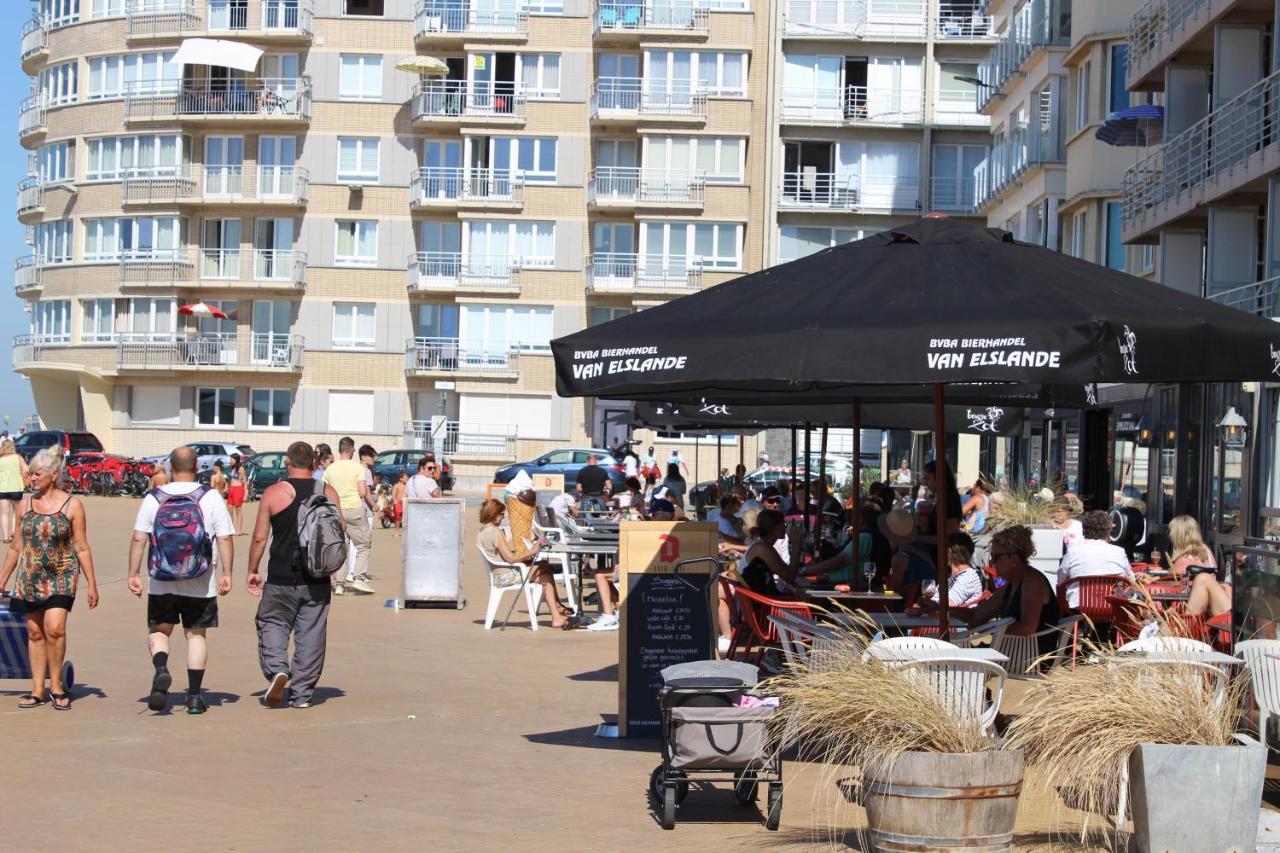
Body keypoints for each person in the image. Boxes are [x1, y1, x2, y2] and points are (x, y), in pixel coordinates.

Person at [127, 447, 235, 714]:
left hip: (162, 579)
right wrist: (227, 574)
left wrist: (133, 573)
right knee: (195, 635)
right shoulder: (210, 497)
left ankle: (162, 668)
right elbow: (224, 538)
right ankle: (195, 698)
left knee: (159, 631)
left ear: (171, 468)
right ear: (196, 466)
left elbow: (139, 538)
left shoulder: (154, 497)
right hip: (200, 578)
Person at [0, 446, 98, 710]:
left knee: (54, 628)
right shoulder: (24, 504)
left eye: (36, 474)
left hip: (61, 576)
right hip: (29, 577)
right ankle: (37, 690)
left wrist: (92, 585)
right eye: (30, 474)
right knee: (34, 632)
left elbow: (81, 547)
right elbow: (16, 547)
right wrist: (1, 580)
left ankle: (56, 685)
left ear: (54, 474)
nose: (31, 479)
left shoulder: (72, 505)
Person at [246, 441, 343, 709]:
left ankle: (278, 668)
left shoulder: (275, 493)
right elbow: (340, 530)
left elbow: (259, 537)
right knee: (311, 634)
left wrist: (253, 570)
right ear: (314, 464)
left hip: (280, 576)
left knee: (273, 622)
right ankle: (301, 695)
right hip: (317, 578)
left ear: (288, 462)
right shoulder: (328, 493)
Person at [961, 525, 1060, 657]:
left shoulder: (1032, 581)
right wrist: (942, 609)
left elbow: (1026, 628)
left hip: (1029, 659)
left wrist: (987, 628)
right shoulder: (1013, 583)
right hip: (1015, 652)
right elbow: (977, 614)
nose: (992, 562)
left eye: (996, 557)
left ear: (1013, 559)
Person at [477, 499, 576, 630]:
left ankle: (557, 613)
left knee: (544, 571)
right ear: (494, 514)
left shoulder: (481, 532)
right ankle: (557, 610)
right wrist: (532, 551)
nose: (503, 517)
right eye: (501, 514)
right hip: (505, 576)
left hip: (498, 574)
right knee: (544, 568)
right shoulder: (495, 532)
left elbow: (500, 555)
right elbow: (511, 559)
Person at [322, 437, 376, 595]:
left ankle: (339, 584)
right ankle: (358, 577)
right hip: (354, 509)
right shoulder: (357, 468)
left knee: (341, 547)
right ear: (351, 450)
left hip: (336, 511)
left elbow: (324, 490)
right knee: (363, 545)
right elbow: (362, 492)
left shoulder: (329, 469)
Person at [1056, 510, 1135, 609]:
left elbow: (1060, 581)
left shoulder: (1073, 552)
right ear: (1108, 531)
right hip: (1111, 607)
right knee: (1135, 595)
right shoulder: (1119, 552)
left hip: (1079, 607)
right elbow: (1132, 580)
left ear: (1084, 530)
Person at [1167, 515, 1231, 618]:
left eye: (1172, 533)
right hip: (1210, 608)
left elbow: (1169, 581)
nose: (1170, 536)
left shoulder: (1184, 560)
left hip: (1204, 612)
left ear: (1178, 537)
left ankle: (1178, 628)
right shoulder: (1206, 551)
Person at [737, 509, 799, 597]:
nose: (786, 528)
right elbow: (790, 577)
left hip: (758, 599)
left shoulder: (763, 545)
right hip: (759, 604)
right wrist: (796, 545)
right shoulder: (762, 548)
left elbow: (787, 573)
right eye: (784, 525)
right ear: (775, 527)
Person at [882, 509, 937, 605]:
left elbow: (895, 595)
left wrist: (881, 592)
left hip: (913, 609)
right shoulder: (921, 548)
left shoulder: (900, 558)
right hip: (929, 604)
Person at [919, 532, 988, 610]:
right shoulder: (952, 576)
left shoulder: (968, 577)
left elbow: (948, 604)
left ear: (948, 552)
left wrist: (925, 603)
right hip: (939, 619)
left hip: (953, 621)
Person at [0, 439, 29, 543]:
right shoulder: (18, 458)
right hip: (16, 488)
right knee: (16, 512)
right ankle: (14, 532)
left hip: (2, 489)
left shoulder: (1, 459)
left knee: (4, 513)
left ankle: (5, 537)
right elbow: (26, 469)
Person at [225, 454, 248, 535]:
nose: (230, 461)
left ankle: (238, 530)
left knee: (238, 510)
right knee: (229, 510)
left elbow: (245, 482)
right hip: (231, 489)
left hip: (238, 489)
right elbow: (229, 480)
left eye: (231, 459)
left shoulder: (241, 469)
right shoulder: (231, 468)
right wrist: (227, 488)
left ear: (236, 460)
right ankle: (231, 529)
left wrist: (246, 494)